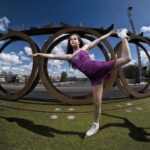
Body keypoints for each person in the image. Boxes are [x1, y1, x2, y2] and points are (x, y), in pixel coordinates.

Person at [30, 29, 132, 138]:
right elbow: (53, 56)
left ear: (79, 41)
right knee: (97, 103)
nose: (72, 41)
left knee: (127, 58)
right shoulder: (70, 57)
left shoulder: (85, 48)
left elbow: (99, 39)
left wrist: (110, 33)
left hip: (100, 67)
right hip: (94, 79)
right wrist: (40, 54)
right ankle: (95, 126)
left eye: (75, 39)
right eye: (70, 40)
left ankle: (124, 36)